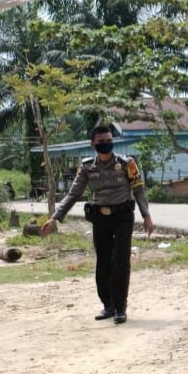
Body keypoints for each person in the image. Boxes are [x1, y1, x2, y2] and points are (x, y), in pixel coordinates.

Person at [42, 125, 154, 324]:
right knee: (103, 262)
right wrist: (55, 218)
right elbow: (73, 194)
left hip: (123, 217)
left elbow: (138, 190)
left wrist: (146, 216)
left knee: (121, 261)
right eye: (101, 141)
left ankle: (121, 308)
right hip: (100, 218)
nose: (106, 144)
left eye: (109, 140)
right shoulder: (86, 167)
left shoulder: (127, 163)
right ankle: (108, 305)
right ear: (92, 143)